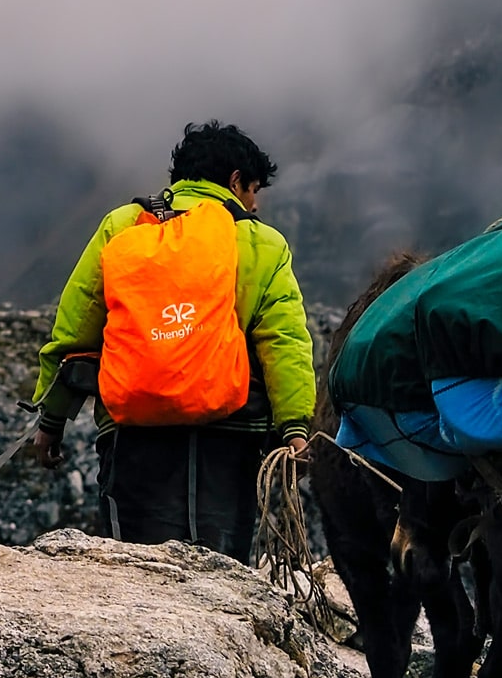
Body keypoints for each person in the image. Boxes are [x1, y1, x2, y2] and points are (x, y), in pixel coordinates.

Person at [23, 120, 316, 560]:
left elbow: (77, 330)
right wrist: (294, 427)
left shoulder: (124, 225)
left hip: (135, 430)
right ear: (236, 181)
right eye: (253, 190)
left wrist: (52, 420)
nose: (255, 205)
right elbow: (284, 341)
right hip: (230, 432)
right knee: (220, 573)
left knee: (138, 571)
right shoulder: (262, 242)